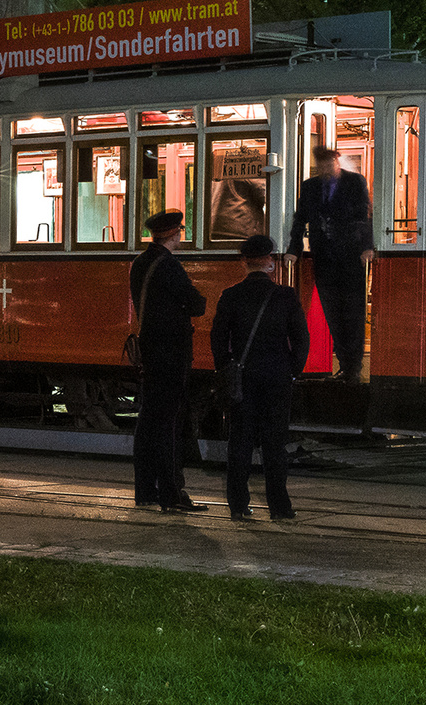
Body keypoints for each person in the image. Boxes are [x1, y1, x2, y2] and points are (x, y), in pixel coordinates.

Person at [211, 234, 309, 520]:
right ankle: (280, 507)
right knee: (275, 445)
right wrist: (293, 369)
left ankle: (238, 506)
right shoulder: (286, 296)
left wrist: (226, 368)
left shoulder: (230, 296)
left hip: (242, 379)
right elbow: (301, 339)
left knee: (239, 442)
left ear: (244, 262)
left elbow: (218, 338)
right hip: (277, 377)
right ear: (269, 261)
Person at [129, 209, 207, 513]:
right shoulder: (169, 266)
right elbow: (197, 304)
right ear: (175, 234)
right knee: (170, 424)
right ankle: (172, 494)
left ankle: (145, 490)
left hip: (149, 351)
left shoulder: (140, 263)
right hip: (171, 354)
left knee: (148, 421)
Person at [284, 146, 374, 382]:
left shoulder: (355, 182)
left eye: (327, 165)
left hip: (351, 258)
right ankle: (345, 366)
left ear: (337, 162)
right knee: (333, 313)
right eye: (319, 166)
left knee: (353, 314)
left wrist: (367, 247)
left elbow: (364, 216)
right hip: (324, 258)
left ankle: (352, 368)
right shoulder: (310, 186)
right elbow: (299, 220)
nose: (323, 170)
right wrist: (294, 250)